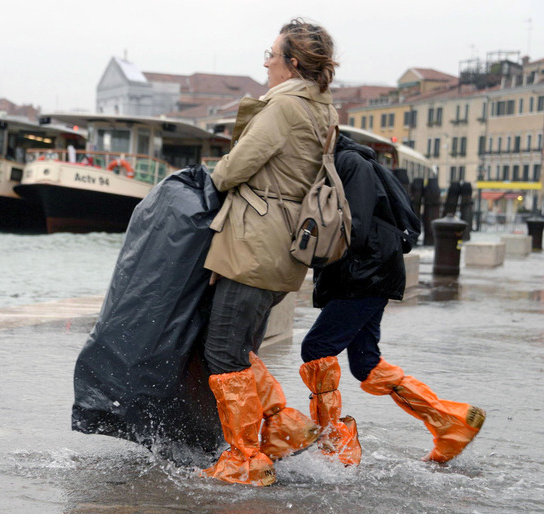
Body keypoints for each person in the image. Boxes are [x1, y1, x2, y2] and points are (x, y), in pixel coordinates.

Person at [200, 18, 339, 487]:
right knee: (240, 346)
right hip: (284, 246)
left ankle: (244, 458)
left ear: (292, 63)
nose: (265, 62)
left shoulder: (283, 110)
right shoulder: (324, 111)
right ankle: (282, 428)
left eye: (272, 54)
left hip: (255, 244)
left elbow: (234, 168)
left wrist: (213, 176)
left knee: (223, 351)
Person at [299, 135, 486, 466]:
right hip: (370, 270)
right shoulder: (347, 161)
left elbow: (353, 227)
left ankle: (335, 444)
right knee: (365, 363)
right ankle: (451, 421)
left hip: (365, 272)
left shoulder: (350, 164)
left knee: (316, 349)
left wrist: (305, 254)